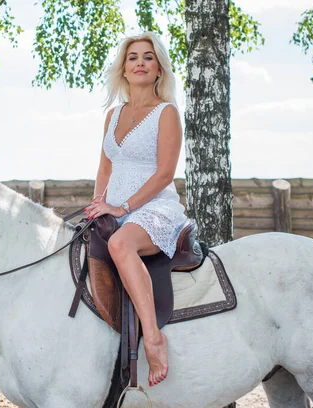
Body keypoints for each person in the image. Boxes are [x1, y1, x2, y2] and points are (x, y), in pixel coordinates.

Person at [84, 31, 187, 387]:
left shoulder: (167, 113)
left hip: (155, 208)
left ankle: (154, 338)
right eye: (132, 58)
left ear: (159, 68)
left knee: (120, 245)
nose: (140, 63)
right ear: (123, 69)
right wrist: (99, 205)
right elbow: (105, 169)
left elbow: (165, 174)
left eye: (147, 57)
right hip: (115, 207)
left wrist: (122, 205)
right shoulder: (112, 115)